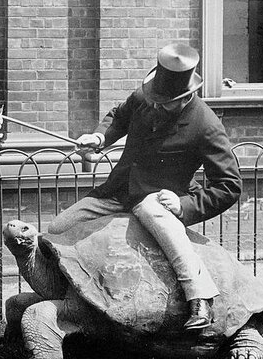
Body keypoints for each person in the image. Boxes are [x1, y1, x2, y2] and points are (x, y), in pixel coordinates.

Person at [47, 43, 242, 330]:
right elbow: (119, 115)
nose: (155, 105)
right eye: (154, 98)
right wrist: (99, 138)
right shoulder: (145, 97)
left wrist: (184, 205)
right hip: (118, 190)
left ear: (185, 96)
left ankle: (200, 299)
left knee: (158, 216)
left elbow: (229, 185)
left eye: (165, 102)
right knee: (58, 228)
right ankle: (65, 298)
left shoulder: (205, 124)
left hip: (160, 198)